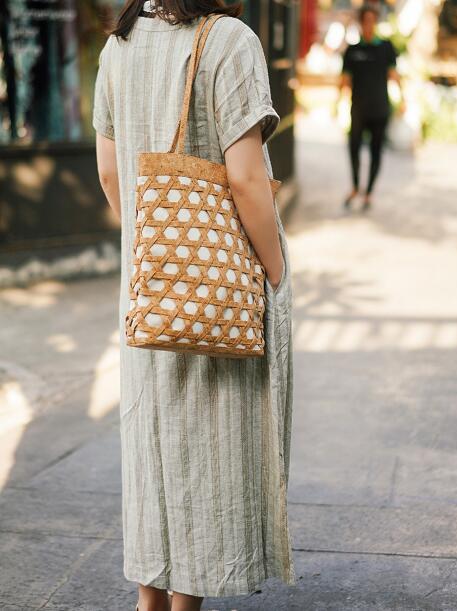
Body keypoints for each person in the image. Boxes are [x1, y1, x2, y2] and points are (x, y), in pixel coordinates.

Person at [92, 1, 295, 611]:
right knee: (207, 450)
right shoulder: (228, 40)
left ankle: (149, 602)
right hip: (220, 291)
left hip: (148, 292)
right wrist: (276, 270)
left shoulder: (117, 47)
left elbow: (109, 174)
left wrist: (156, 247)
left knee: (152, 447)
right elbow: (247, 179)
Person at [339, 4, 403, 211]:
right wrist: (337, 102)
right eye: (365, 20)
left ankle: (368, 193)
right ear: (361, 22)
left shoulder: (386, 47)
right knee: (354, 148)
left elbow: (394, 76)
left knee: (376, 151)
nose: (369, 24)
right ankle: (355, 186)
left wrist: (403, 100)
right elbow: (344, 80)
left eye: (372, 20)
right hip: (358, 108)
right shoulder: (352, 50)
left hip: (380, 108)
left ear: (375, 22)